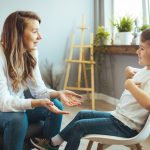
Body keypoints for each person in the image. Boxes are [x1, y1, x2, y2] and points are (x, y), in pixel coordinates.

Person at [38, 28, 150, 150]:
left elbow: (148, 103)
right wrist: (127, 69)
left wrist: (130, 86)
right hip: (118, 117)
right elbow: (132, 70)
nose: (137, 51)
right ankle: (54, 143)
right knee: (81, 114)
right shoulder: (144, 70)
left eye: (142, 48)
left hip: (126, 127)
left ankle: (52, 145)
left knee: (79, 126)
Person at [0, 11, 82, 150]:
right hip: (2, 107)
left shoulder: (30, 53)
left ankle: (48, 147)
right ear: (17, 33)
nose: (40, 37)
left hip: (16, 100)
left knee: (55, 105)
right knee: (18, 120)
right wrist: (34, 103)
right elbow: (3, 102)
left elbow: (38, 90)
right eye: (34, 32)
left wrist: (58, 93)